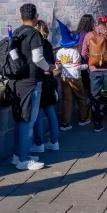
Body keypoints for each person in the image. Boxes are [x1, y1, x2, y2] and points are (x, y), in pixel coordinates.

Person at [9, 3, 49, 171]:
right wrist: (49, 68)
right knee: (28, 119)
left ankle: (18, 155)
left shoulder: (17, 33)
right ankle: (24, 159)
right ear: (36, 17)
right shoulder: (34, 34)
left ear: (21, 17)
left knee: (21, 119)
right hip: (31, 81)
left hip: (17, 80)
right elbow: (38, 58)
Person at [32, 22, 60, 152]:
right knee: (50, 112)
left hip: (39, 81)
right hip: (49, 81)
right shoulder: (48, 44)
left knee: (37, 113)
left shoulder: (37, 45)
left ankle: (39, 143)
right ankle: (54, 141)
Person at [56, 26, 90, 129]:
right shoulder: (74, 52)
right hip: (75, 77)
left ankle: (65, 123)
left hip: (64, 77)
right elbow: (77, 67)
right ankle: (82, 119)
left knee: (66, 100)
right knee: (80, 98)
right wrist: (87, 66)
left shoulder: (59, 52)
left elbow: (58, 66)